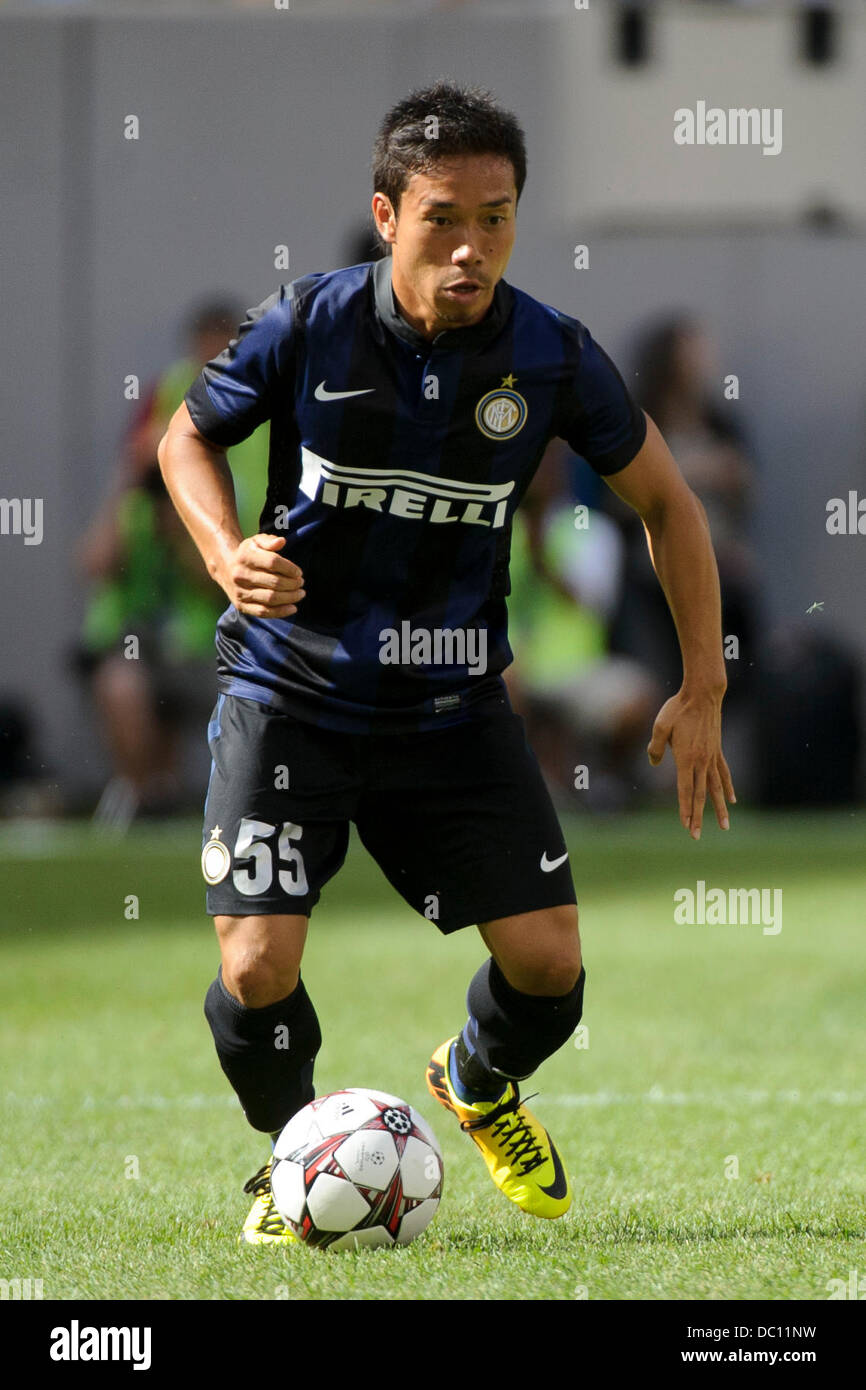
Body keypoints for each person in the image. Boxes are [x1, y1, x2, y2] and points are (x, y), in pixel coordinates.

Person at [158, 82, 735, 1246]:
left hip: (450, 707)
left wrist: (703, 683)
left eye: (497, 217)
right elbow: (188, 435)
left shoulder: (550, 355)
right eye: (442, 219)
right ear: (386, 216)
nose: (471, 247)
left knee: (549, 968)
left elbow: (667, 505)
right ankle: (293, 1166)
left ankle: (473, 1078)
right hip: (291, 692)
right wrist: (228, 558)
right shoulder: (307, 324)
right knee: (259, 968)